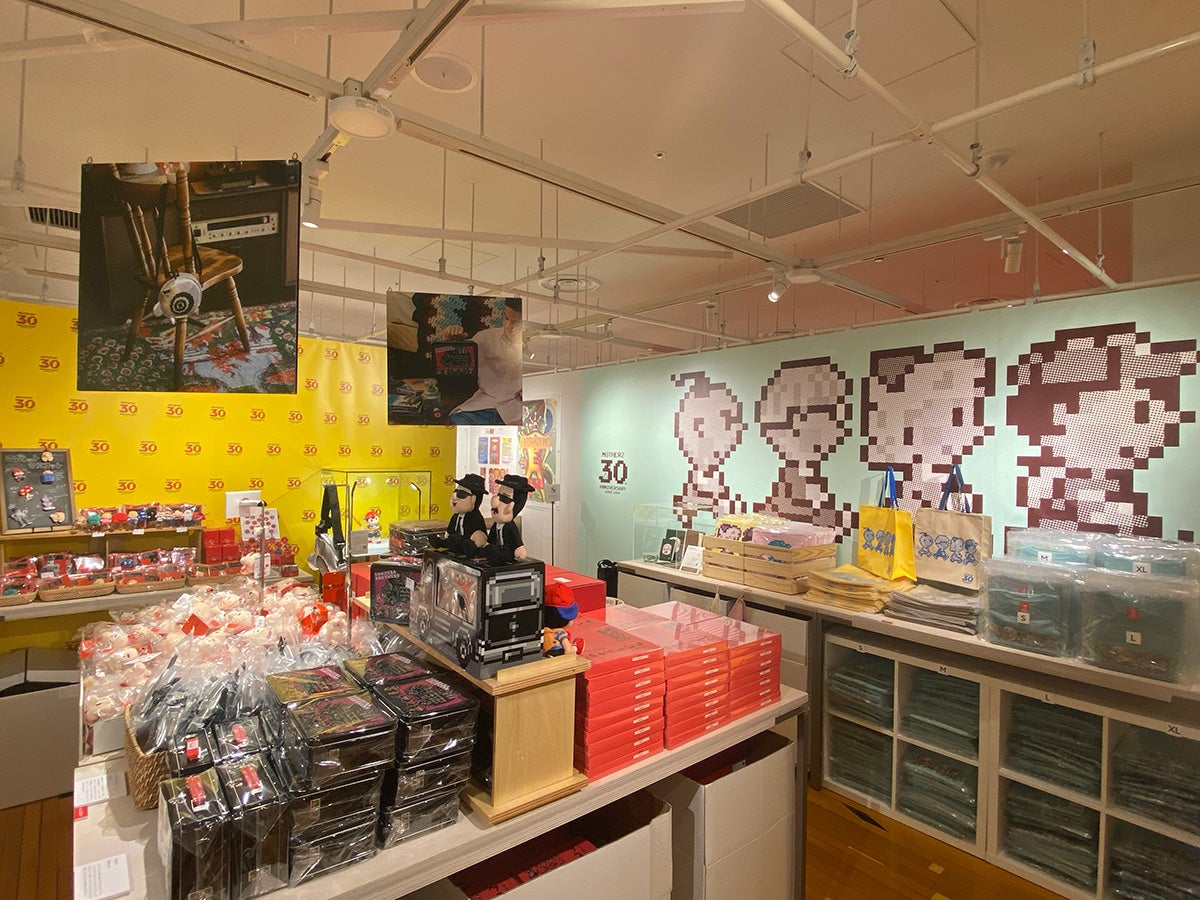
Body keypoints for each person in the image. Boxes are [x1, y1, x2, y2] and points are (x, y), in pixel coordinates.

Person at [447, 299, 523, 425]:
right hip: (483, 406)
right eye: (506, 318)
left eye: (517, 323)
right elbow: (455, 364)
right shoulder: (485, 338)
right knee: (456, 424)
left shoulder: (538, 349)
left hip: (516, 411)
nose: (509, 326)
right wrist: (453, 342)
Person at [429, 474, 488, 555]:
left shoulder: (475, 518)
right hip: (455, 549)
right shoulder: (456, 516)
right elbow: (450, 532)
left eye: (461, 494)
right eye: (455, 492)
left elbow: (477, 539)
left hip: (468, 550)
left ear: (473, 499)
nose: (454, 497)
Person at [485, 474, 534, 564]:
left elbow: (516, 539)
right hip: (496, 550)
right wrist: (488, 544)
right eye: (499, 495)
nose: (496, 502)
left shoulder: (510, 526)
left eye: (504, 498)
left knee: (495, 552)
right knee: (491, 550)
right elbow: (492, 536)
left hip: (507, 553)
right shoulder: (496, 524)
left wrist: (519, 548)